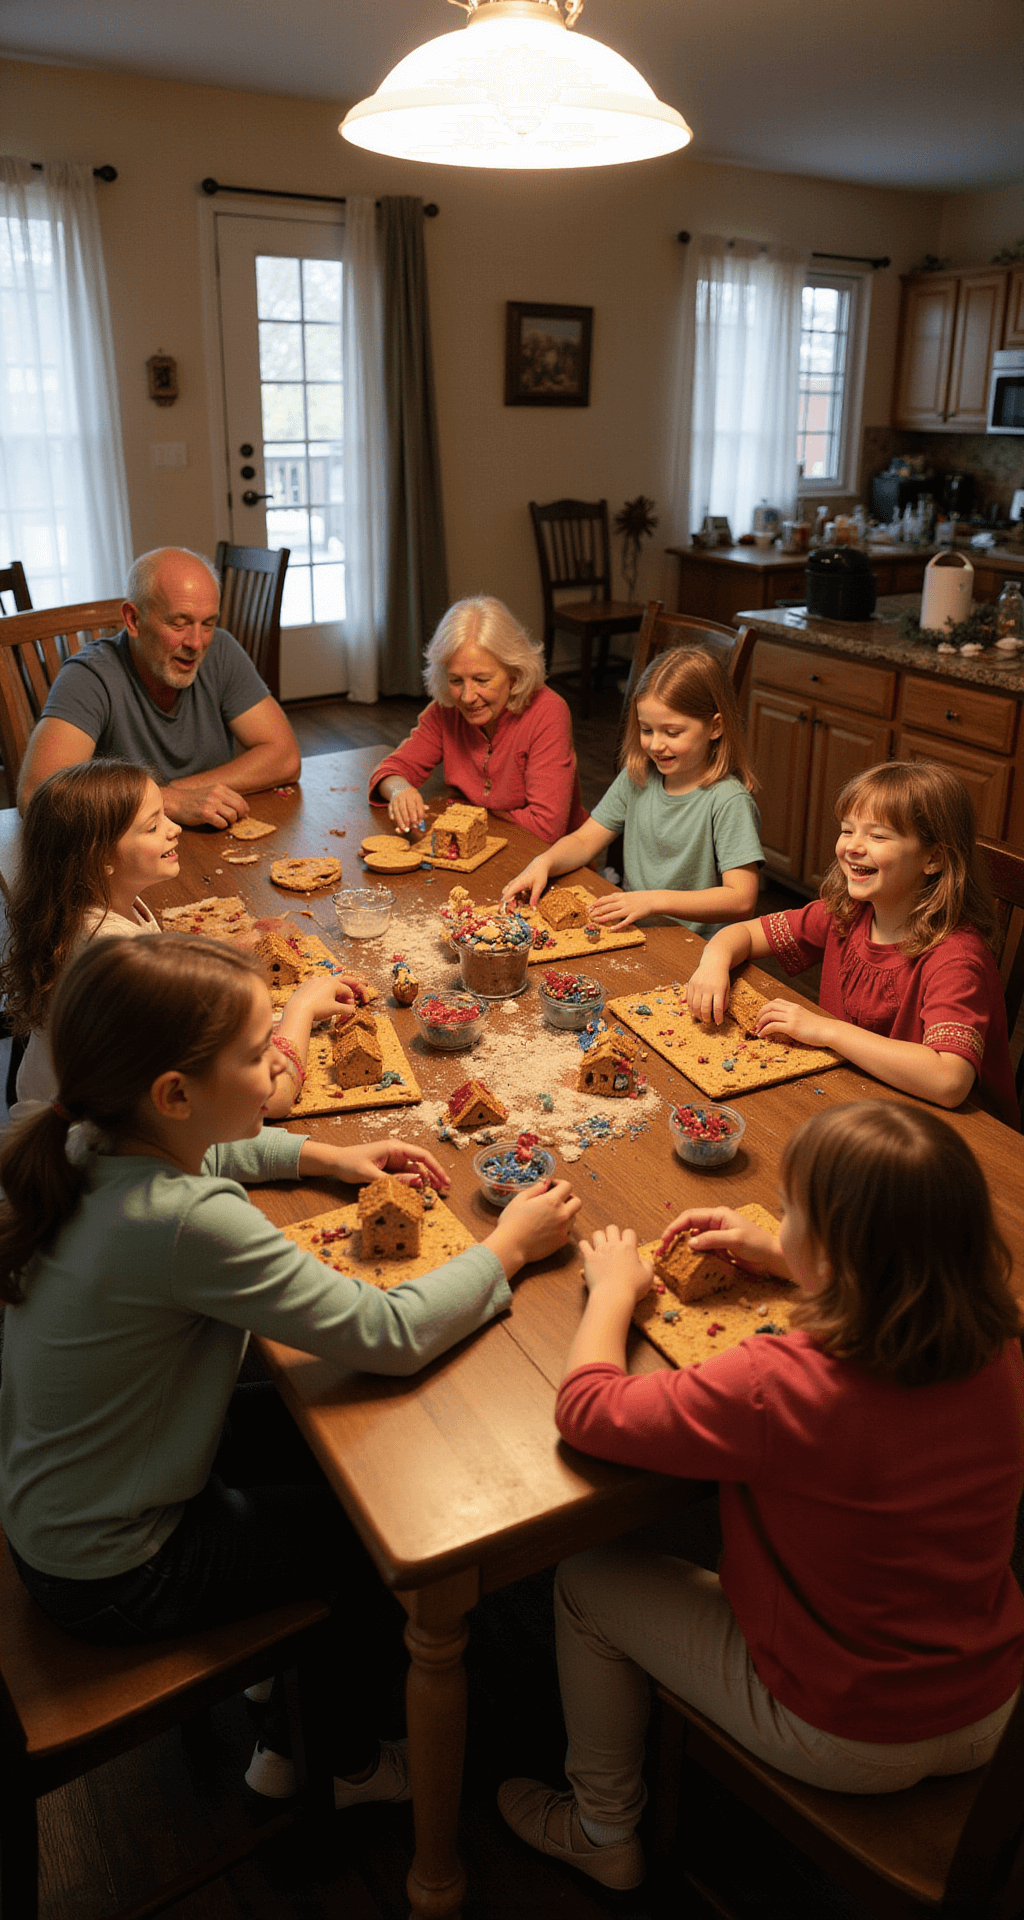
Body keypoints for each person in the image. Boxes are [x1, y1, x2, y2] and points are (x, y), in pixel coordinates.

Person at [0, 933, 581, 1807]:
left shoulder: (86, 1141)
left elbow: (211, 1150)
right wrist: (509, 1247)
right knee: (382, 1535)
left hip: (66, 1509)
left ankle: (284, 1686)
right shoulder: (188, 1224)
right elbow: (388, 1332)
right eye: (255, 1052)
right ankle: (330, 1757)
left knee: (329, 1439)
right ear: (175, 1093)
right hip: (119, 1572)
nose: (281, 1058)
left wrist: (321, 1157)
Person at [498, 1102, 1024, 1891]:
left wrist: (611, 1291)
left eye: (791, 1213)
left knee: (584, 1580)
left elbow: (586, 1410)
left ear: (836, 1249)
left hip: (847, 1731)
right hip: (993, 1707)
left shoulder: (778, 1384)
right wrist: (784, 1256)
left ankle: (600, 1829)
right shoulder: (998, 1341)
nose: (781, 1223)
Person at [0, 759, 361, 1124]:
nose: (174, 829)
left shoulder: (89, 911)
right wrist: (302, 1008)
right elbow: (270, 1098)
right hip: (89, 1145)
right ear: (101, 857)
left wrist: (230, 952)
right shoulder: (116, 957)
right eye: (153, 826)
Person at [687, 759, 1018, 1126]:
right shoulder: (846, 914)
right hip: (861, 1101)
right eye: (847, 830)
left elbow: (949, 1081)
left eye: (878, 836)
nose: (852, 847)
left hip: (948, 1135)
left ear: (933, 858)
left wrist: (825, 1030)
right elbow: (746, 934)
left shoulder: (957, 959)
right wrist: (714, 961)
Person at [17, 547, 301, 828]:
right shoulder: (89, 675)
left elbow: (285, 757)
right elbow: (37, 796)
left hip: (207, 837)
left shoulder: (221, 650)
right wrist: (166, 800)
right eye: (179, 624)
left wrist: (180, 791)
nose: (196, 643)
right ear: (133, 620)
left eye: (207, 624)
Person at [502, 648, 762, 934]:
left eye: (672, 733)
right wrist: (545, 862)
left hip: (697, 947)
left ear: (715, 727)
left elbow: (741, 899)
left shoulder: (728, 800)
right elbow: (584, 841)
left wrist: (653, 901)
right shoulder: (636, 777)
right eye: (646, 730)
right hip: (639, 930)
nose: (655, 745)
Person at [368, 595, 588, 845]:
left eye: (482, 680)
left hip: (549, 855)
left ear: (514, 673)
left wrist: (466, 818)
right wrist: (400, 790)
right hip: (478, 844)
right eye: (455, 680)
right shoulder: (446, 710)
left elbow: (546, 828)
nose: (467, 697)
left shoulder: (548, 712)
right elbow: (388, 772)